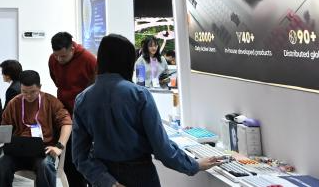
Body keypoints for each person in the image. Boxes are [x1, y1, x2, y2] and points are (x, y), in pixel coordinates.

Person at [71, 34, 225, 187]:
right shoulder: (139, 95)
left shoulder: (83, 99)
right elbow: (162, 148)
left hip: (103, 175)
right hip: (140, 176)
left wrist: (107, 182)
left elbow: (79, 156)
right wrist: (193, 165)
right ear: (128, 61)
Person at [0, 70, 71, 187]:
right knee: (1, 163)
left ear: (40, 87)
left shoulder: (50, 101)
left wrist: (59, 146)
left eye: (33, 92)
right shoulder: (14, 103)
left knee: (44, 165)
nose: (28, 96)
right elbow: (4, 128)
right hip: (18, 152)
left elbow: (67, 123)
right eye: (24, 92)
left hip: (43, 151)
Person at [48, 32, 97, 187]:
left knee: (88, 157)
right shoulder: (52, 59)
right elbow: (56, 81)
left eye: (63, 56)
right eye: (56, 55)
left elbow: (97, 86)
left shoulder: (89, 59)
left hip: (86, 114)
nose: (59, 59)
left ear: (72, 49)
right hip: (65, 113)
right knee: (69, 159)